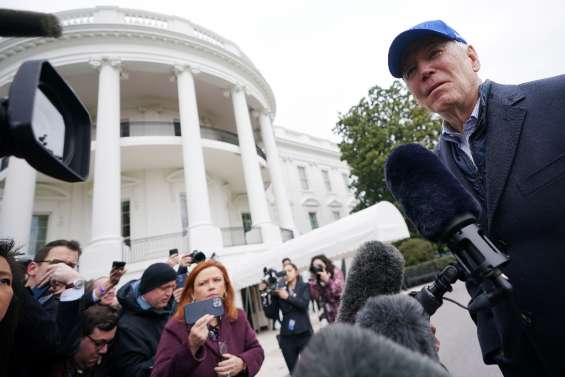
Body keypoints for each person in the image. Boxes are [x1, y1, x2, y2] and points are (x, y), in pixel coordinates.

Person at [387, 20, 565, 377]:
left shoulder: (556, 101)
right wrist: (497, 345)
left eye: (434, 53)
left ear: (472, 57)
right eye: (410, 71)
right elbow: (472, 268)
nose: (424, 71)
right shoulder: (432, 171)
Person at [151, 259, 264, 377]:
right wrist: (191, 346)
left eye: (217, 280)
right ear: (192, 293)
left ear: (225, 287)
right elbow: (160, 373)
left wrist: (242, 363)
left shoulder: (237, 316)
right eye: (203, 283)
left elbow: (257, 350)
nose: (211, 286)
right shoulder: (176, 326)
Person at [111, 263, 177, 377]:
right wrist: (173, 351)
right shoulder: (126, 326)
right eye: (164, 288)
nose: (169, 293)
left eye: (172, 287)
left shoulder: (170, 309)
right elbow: (133, 372)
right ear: (148, 287)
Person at [261, 262, 312, 373]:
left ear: (296, 272)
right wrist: (266, 295)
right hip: (287, 337)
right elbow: (271, 314)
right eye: (284, 272)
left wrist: (287, 297)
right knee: (293, 371)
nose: (287, 274)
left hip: (304, 334)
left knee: (310, 369)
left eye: (289, 270)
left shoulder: (304, 286)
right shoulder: (279, 289)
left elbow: (304, 305)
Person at [49, 305, 119, 377]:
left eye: (109, 342)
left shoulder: (109, 366)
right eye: (99, 343)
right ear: (80, 336)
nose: (104, 350)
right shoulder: (54, 368)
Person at [307, 254, 344, 324]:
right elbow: (315, 296)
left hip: (342, 313)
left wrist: (328, 281)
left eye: (319, 266)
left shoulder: (335, 271)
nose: (318, 268)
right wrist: (313, 280)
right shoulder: (316, 279)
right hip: (330, 317)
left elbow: (340, 291)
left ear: (325, 264)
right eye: (315, 267)